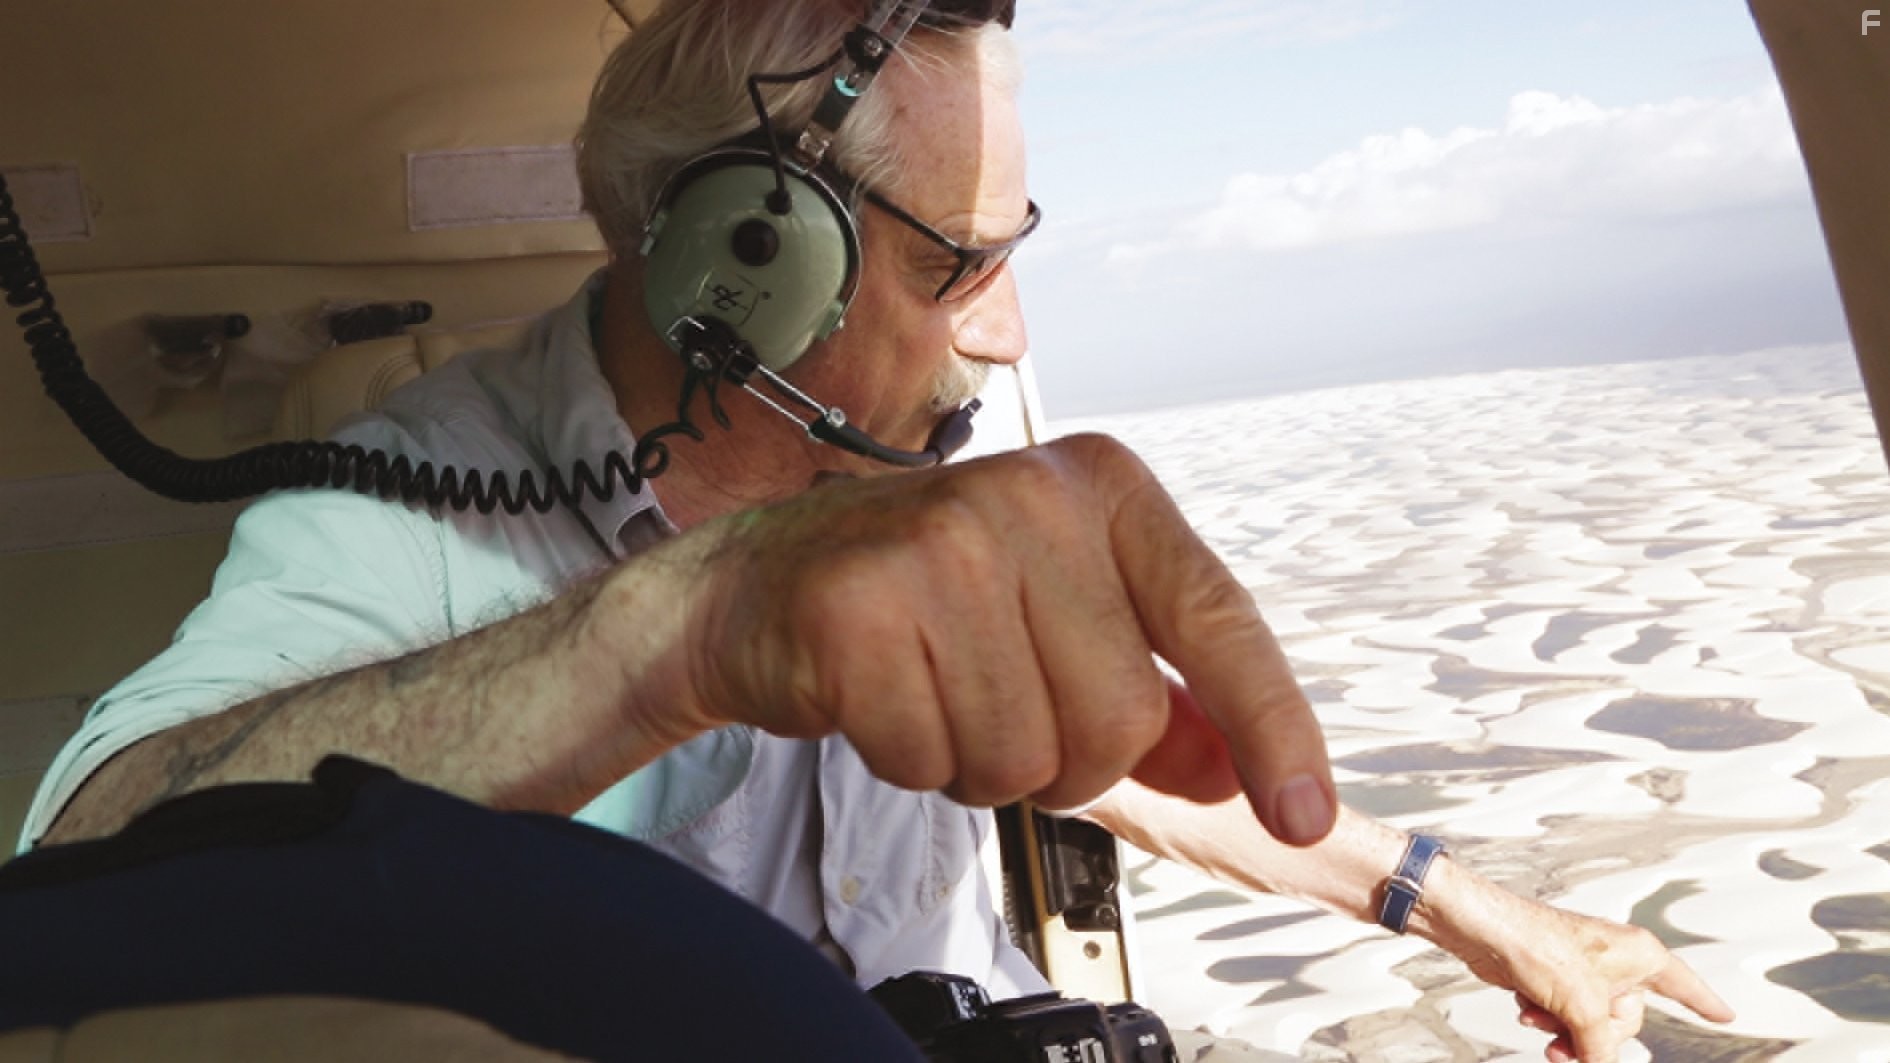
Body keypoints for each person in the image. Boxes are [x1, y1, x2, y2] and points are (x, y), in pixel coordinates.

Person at [16, 2, 1731, 1060]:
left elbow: (1115, 749)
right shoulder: (401, 494)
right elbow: (94, 854)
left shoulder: (899, 459)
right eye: (952, 266)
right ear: (734, 269)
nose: (1004, 335)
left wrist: (1462, 905)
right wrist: (675, 633)